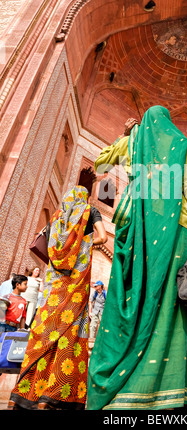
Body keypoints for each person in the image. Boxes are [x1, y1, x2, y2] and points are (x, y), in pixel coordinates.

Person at [87, 106, 187, 410]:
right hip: (177, 228)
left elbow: (100, 161)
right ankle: (174, 388)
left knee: (139, 296)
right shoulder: (178, 141)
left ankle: (126, 384)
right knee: (171, 302)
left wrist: (124, 136)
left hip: (140, 227)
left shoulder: (132, 141)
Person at [9, 168, 108, 410]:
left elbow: (51, 246)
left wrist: (69, 246)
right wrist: (82, 245)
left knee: (43, 333)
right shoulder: (90, 211)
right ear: (88, 192)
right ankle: (53, 396)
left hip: (53, 288)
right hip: (75, 286)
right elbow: (104, 238)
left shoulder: (57, 216)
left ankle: (22, 395)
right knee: (70, 333)